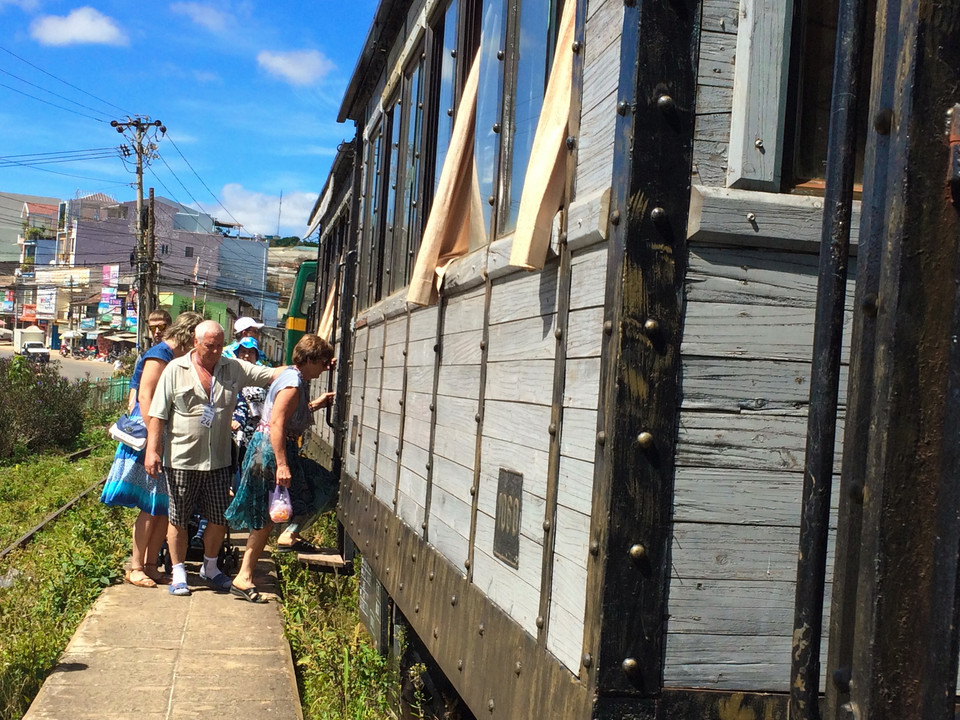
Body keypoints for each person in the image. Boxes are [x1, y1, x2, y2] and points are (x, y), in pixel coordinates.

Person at [144, 320, 286, 597]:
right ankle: (179, 571)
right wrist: (153, 450)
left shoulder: (232, 367)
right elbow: (158, 414)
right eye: (210, 346)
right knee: (179, 518)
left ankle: (210, 567)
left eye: (220, 346)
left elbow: (268, 374)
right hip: (182, 458)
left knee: (219, 516)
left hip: (219, 458)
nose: (215, 351)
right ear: (196, 342)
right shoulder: (175, 369)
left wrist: (298, 369)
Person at [225, 334, 338, 603]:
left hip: (271, 449)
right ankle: (244, 576)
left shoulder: (290, 374)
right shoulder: (293, 384)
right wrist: (282, 465)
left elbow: (287, 415)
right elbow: (277, 424)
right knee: (266, 516)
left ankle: (282, 540)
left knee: (283, 507)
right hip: (270, 452)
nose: (324, 368)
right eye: (321, 363)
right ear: (308, 360)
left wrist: (316, 404)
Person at [100, 311, 204, 587]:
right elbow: (145, 397)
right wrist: (155, 440)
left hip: (163, 437)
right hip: (149, 438)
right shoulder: (160, 355)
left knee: (161, 506)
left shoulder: (177, 358)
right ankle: (135, 566)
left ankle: (150, 564)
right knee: (148, 505)